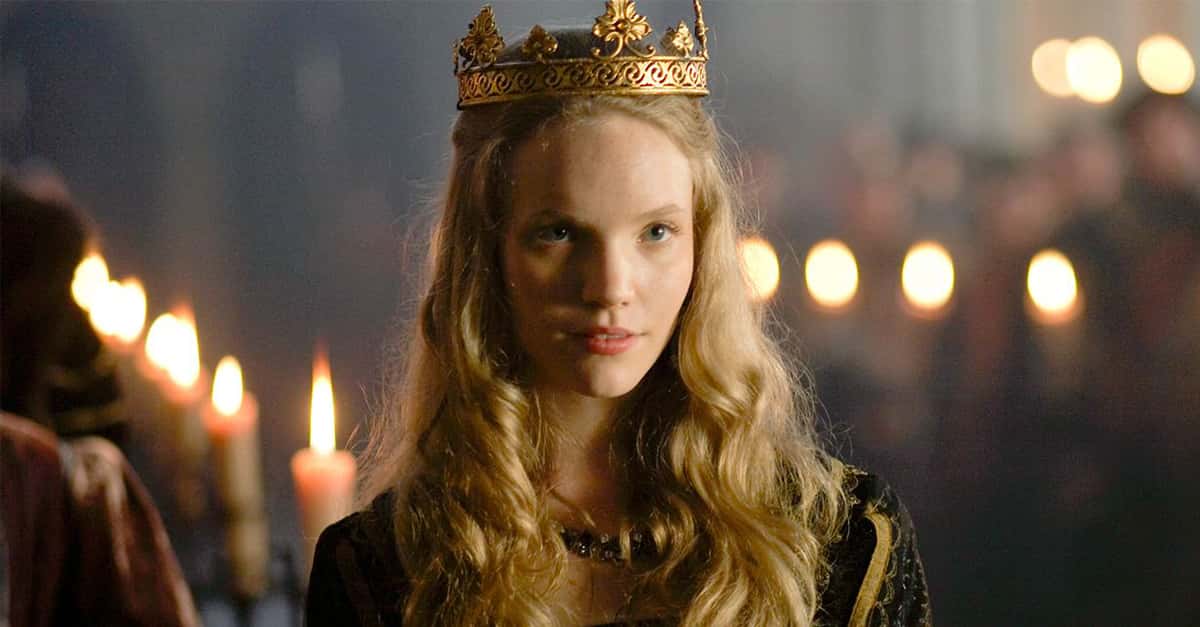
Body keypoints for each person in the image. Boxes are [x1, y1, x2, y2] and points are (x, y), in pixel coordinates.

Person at [305, 3, 930, 625]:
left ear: (701, 244)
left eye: (655, 232)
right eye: (559, 233)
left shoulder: (841, 547)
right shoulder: (381, 570)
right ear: (487, 253)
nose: (609, 287)